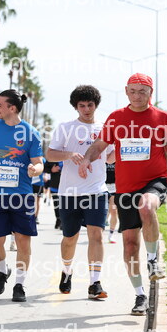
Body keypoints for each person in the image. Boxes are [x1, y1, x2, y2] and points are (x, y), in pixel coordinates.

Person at [78, 73, 167, 315]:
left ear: (151, 93)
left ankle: (153, 260)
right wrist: (86, 159)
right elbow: (99, 146)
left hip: (155, 181)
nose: (137, 96)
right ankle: (140, 296)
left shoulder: (164, 119)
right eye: (133, 91)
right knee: (129, 245)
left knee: (146, 206)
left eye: (142, 91)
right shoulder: (116, 118)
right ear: (126, 91)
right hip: (125, 188)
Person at [47, 85, 115, 300]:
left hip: (97, 191)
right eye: (82, 106)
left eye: (90, 105)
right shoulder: (65, 128)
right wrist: (69, 155)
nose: (86, 109)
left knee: (96, 235)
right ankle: (67, 271)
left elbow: (110, 158)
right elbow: (50, 154)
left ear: (96, 105)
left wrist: (122, 150)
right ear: (76, 107)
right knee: (70, 238)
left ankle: (95, 282)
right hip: (69, 193)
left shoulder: (105, 128)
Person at [0, 89, 44, 303]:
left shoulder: (31, 132)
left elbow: (39, 162)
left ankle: (19, 285)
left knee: (23, 241)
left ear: (12, 108)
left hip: (21, 195)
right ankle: (2, 270)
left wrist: (35, 169)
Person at [105, 162, 119, 243]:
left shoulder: (116, 157)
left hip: (114, 188)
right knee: (100, 211)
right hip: (102, 187)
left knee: (113, 211)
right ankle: (98, 233)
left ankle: (111, 234)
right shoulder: (101, 157)